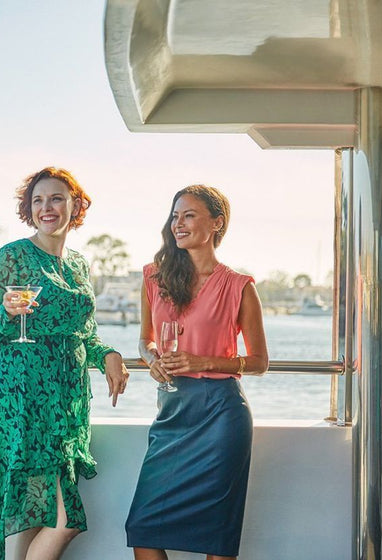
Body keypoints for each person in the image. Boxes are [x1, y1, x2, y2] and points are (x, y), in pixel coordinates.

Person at [0, 167, 130, 560]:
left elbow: (83, 334)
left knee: (35, 515)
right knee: (65, 520)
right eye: (38, 201)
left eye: (56, 198)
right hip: (19, 403)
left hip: (64, 405)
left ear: (75, 206)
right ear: (29, 210)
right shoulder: (13, 257)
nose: (47, 207)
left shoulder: (78, 264)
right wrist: (5, 312)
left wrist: (107, 353)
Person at [125, 185, 269, 560]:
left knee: (216, 534)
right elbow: (145, 340)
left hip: (222, 414)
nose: (179, 224)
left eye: (189, 215)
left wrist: (202, 362)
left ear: (216, 223)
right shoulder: (154, 277)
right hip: (171, 412)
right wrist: (152, 358)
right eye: (175, 216)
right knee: (142, 527)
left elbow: (259, 362)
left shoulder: (239, 286)